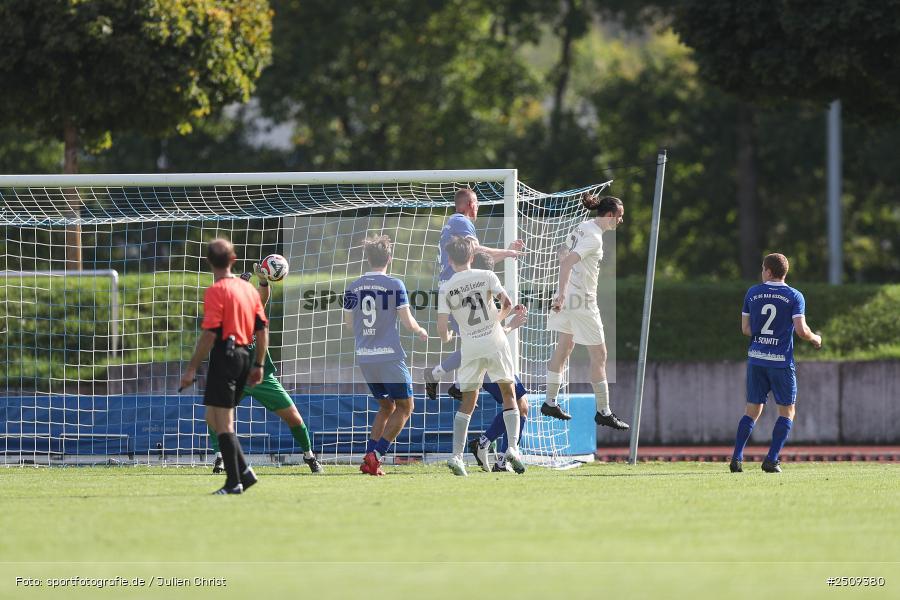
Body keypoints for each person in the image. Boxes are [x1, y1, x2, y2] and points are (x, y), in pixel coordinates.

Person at [206, 263, 323, 474]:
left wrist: (262, 281)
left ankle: (310, 457)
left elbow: (262, 299)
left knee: (294, 418)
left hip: (262, 378)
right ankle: (220, 458)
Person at [180, 238, 268, 495]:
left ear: (209, 261)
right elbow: (262, 330)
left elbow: (209, 334)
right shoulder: (249, 290)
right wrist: (259, 364)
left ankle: (234, 483)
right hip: (244, 357)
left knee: (224, 422)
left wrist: (191, 369)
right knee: (212, 417)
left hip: (225, 356)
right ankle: (245, 473)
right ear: (234, 260)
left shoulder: (216, 291)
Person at [423, 187, 525, 400]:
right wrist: (509, 252)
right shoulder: (461, 220)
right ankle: (438, 375)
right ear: (470, 204)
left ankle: (457, 384)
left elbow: (479, 262)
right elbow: (478, 253)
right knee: (480, 337)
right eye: (477, 203)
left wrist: (507, 253)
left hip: (457, 289)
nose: (478, 208)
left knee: (475, 339)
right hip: (461, 292)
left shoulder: (454, 227)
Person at [438, 235, 526, 477]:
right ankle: (512, 449)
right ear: (472, 256)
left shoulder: (446, 287)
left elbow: (442, 329)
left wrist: (446, 338)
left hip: (470, 347)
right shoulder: (487, 275)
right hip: (495, 342)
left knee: (468, 401)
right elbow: (507, 304)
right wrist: (494, 323)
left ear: (449, 259)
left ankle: (456, 457)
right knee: (509, 393)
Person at [344, 235, 429, 476]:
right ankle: (376, 455)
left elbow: (348, 323)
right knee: (406, 407)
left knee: (386, 406)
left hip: (365, 356)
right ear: (389, 259)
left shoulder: (353, 286)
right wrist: (420, 330)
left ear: (368, 258)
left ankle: (368, 459)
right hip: (389, 357)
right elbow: (407, 321)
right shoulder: (395, 284)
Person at [544, 193, 629, 430]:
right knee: (599, 355)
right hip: (582, 301)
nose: (621, 221)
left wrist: (562, 293)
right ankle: (604, 411)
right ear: (610, 215)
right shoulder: (594, 238)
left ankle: (550, 401)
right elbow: (567, 261)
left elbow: (561, 252)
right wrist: (562, 293)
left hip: (569, 297)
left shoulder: (583, 226)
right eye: (619, 217)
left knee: (565, 346)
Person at [730, 253, 822, 473]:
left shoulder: (752, 293)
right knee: (787, 412)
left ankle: (736, 458)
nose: (762, 272)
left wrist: (762, 335)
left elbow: (745, 329)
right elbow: (801, 331)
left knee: (752, 410)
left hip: (757, 360)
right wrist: (815, 338)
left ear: (769, 271)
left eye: (763, 268)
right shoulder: (794, 296)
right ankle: (771, 460)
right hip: (781, 362)